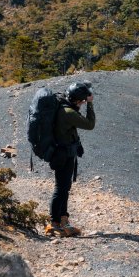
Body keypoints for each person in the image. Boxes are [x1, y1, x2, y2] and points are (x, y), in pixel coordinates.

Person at [46, 80, 95, 237]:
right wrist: (90, 105)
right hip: (63, 154)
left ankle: (63, 221)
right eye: (82, 101)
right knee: (61, 188)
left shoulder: (64, 107)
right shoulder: (69, 113)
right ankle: (53, 223)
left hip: (64, 152)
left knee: (64, 187)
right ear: (78, 100)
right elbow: (90, 124)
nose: (82, 103)